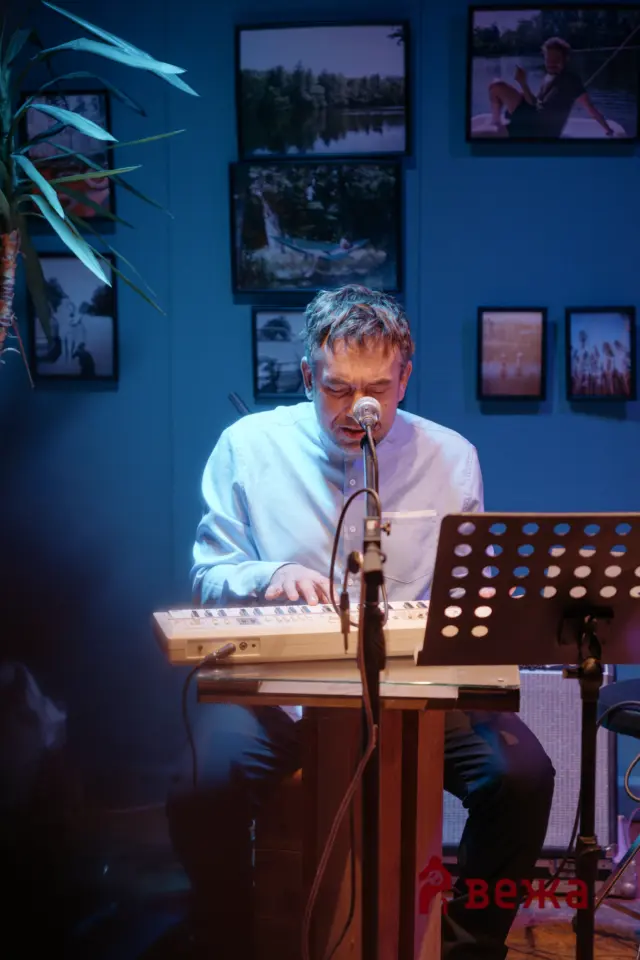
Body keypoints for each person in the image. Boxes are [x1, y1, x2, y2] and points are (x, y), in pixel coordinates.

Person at [166, 284, 555, 960]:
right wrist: (267, 576)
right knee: (200, 789)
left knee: (522, 778)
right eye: (337, 389)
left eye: (376, 388)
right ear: (306, 375)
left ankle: (466, 946)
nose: (357, 410)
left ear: (405, 377)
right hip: (280, 685)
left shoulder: (451, 457)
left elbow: (466, 592)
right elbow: (209, 574)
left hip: (413, 688)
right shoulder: (247, 447)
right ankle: (227, 940)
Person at [488, 36, 615, 138]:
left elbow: (590, 108)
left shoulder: (572, 81)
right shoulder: (548, 76)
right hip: (531, 115)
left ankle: (501, 130)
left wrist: (608, 129)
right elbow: (534, 103)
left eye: (556, 60)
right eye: (548, 60)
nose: (551, 64)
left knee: (485, 135)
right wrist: (523, 84)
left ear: (566, 59)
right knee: (496, 85)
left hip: (539, 131)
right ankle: (496, 122)